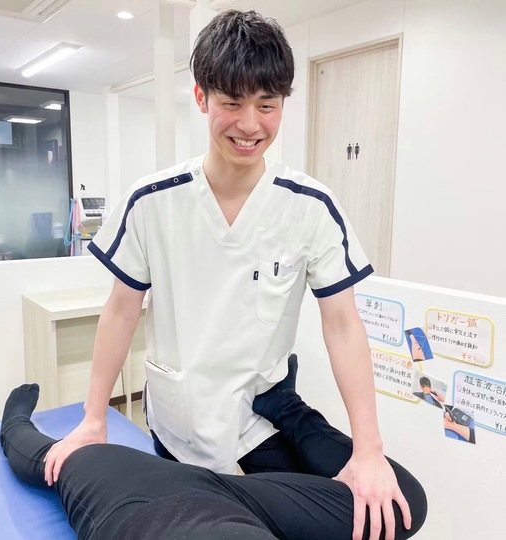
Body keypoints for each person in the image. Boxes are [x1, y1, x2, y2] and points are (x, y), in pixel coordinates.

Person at [44, 9, 416, 539]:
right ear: (201, 98)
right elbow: (122, 311)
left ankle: (212, 497)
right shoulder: (152, 201)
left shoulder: (310, 206)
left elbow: (342, 324)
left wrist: (369, 450)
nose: (249, 125)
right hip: (182, 412)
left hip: (264, 411)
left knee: (393, 508)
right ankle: (207, 497)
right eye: (232, 103)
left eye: (266, 105)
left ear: (283, 103)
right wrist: (93, 417)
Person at [0, 369, 427, 539]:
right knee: (402, 508)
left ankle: (14, 423)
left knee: (48, 460)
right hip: (235, 504)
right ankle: (287, 406)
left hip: (132, 498)